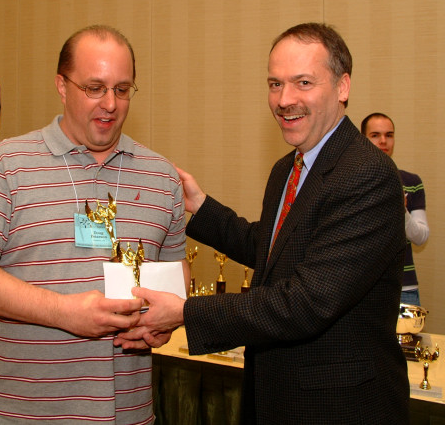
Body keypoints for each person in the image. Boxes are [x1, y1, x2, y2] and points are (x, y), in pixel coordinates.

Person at [118, 23, 410, 424]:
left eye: (303, 82)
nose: (284, 99)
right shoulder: (287, 169)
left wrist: (188, 312)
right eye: (275, 84)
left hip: (336, 407)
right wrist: (200, 207)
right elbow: (275, 250)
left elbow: (306, 302)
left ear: (343, 87)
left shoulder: (366, 174)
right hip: (277, 395)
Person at [0, 25, 188, 424]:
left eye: (122, 90)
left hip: (129, 414)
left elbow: (174, 276)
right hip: (21, 413)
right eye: (95, 88)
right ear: (62, 85)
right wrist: (63, 312)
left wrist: (163, 322)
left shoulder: (162, 177)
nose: (110, 103)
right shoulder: (3, 166)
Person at [361, 112, 430, 306]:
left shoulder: (411, 182)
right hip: (360, 288)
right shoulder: (349, 181)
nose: (383, 141)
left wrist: (402, 212)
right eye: (375, 135)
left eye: (389, 135)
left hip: (403, 288)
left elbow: (421, 237)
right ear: (362, 139)